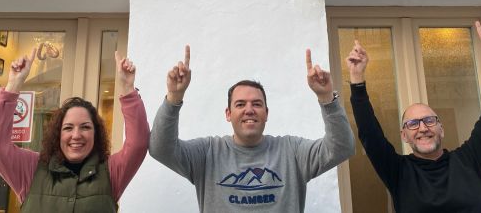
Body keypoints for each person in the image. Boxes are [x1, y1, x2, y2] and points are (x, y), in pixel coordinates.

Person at [149, 45, 355, 212]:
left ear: (266, 113)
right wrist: (174, 97)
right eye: (240, 104)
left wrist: (327, 98)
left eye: (256, 104)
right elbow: (161, 149)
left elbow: (341, 148)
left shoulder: (292, 152)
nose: (249, 110)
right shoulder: (207, 153)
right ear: (228, 114)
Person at [347, 21, 481, 212]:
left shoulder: (470, 161)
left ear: (441, 128)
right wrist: (357, 79)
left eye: (429, 120)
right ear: (404, 135)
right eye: (413, 124)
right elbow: (369, 134)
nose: (423, 128)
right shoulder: (399, 172)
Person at [0, 48, 149, 212]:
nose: (76, 135)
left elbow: (138, 144)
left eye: (85, 127)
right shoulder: (31, 168)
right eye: (68, 128)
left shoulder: (111, 172)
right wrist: (14, 84)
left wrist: (128, 89)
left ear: (96, 134)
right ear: (57, 134)